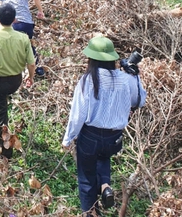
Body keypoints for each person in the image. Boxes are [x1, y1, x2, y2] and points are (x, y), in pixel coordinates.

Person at [62, 36, 146, 217]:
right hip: (114, 138)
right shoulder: (125, 79)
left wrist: (68, 138)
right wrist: (134, 76)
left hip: (90, 135)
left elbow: (78, 115)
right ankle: (105, 186)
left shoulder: (87, 80)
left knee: (86, 178)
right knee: (103, 157)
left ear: (91, 59)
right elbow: (139, 101)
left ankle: (90, 212)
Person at [0, 3, 35, 158]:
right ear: (15, 19)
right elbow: (31, 63)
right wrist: (30, 77)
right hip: (16, 81)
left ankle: (5, 152)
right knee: (3, 106)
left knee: (0, 115)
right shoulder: (23, 37)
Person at [0, 0, 45, 75]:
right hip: (25, 22)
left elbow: (1, 8)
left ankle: (12, 71)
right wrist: (40, 11)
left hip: (9, 23)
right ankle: (37, 69)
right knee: (29, 45)